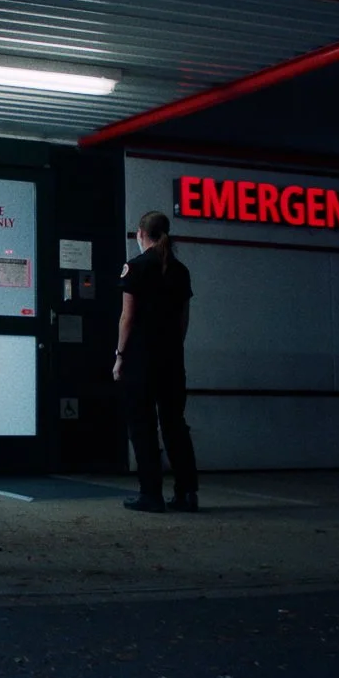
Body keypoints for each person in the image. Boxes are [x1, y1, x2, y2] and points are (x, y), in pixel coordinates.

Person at [111, 210, 201, 512]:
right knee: (175, 424)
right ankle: (187, 493)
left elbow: (127, 318)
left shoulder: (135, 267)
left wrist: (120, 356)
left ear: (141, 233)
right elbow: (183, 320)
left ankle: (151, 494)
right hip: (172, 359)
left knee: (143, 426)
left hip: (141, 360)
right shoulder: (180, 271)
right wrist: (174, 348)